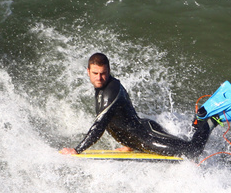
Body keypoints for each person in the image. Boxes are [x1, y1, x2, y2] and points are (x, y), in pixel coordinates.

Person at [59, 53, 220, 158]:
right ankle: (198, 120)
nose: (99, 78)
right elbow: (121, 117)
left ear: (109, 70)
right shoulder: (104, 87)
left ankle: (212, 120)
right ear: (88, 71)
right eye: (95, 73)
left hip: (148, 137)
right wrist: (129, 144)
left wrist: (77, 149)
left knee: (192, 151)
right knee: (183, 143)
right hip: (140, 135)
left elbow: (100, 125)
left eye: (103, 73)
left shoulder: (111, 91)